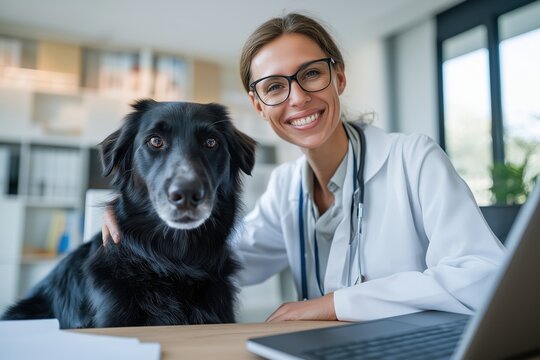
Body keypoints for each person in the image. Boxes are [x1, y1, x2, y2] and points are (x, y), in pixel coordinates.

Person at [102, 13, 505, 322]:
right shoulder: (286, 187)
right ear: (259, 105)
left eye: (311, 74)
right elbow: (217, 260)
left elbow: (484, 276)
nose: (297, 98)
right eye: (275, 87)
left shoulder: (413, 159)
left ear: (339, 77)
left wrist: (334, 304)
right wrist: (131, 220)